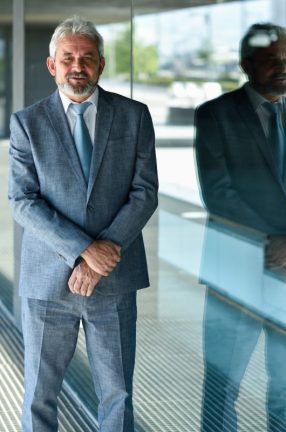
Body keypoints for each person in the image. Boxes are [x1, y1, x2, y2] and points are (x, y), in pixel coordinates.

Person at [8, 16, 158, 432]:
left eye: (87, 58)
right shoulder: (27, 124)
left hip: (113, 279)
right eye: (68, 57)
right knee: (40, 394)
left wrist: (99, 257)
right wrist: (83, 250)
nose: (78, 65)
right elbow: (22, 200)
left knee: (118, 396)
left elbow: (144, 193)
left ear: (101, 65)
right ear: (51, 65)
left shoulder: (134, 116)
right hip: (46, 283)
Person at [195, 23, 286, 431]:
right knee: (223, 386)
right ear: (247, 65)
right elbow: (219, 193)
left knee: (285, 390)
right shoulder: (215, 114)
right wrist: (273, 241)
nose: (282, 68)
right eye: (271, 61)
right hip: (234, 271)